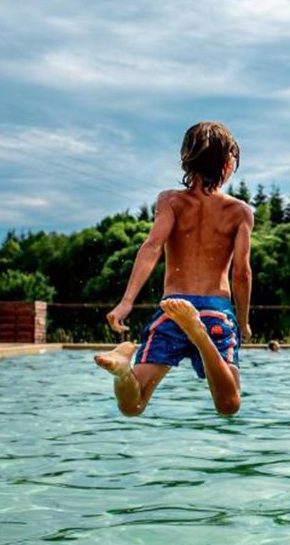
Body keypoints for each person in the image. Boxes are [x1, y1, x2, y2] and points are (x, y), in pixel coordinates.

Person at [94, 122, 253, 417]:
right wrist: (242, 323)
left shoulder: (171, 201)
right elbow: (242, 272)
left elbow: (152, 246)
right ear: (229, 163)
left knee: (133, 405)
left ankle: (122, 371)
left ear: (186, 158)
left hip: (173, 308)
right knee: (229, 404)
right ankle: (199, 334)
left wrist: (126, 302)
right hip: (214, 310)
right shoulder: (239, 212)